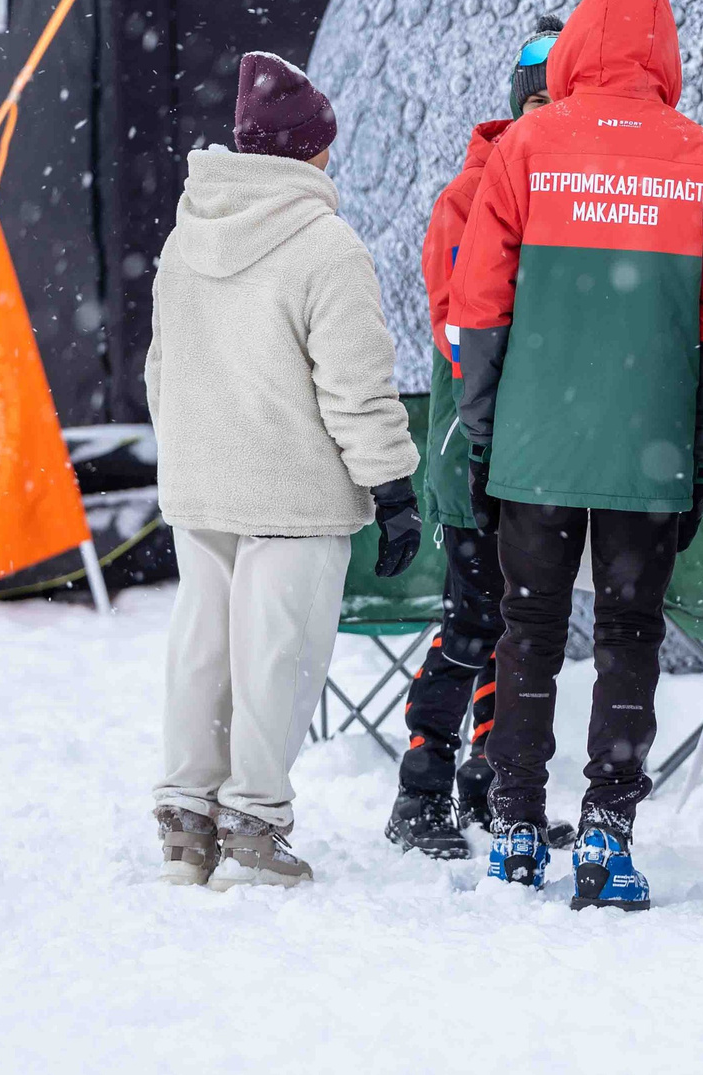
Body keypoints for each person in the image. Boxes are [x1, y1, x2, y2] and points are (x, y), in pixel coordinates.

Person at [449, 0, 703, 909]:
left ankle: (512, 824)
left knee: (528, 629)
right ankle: (609, 833)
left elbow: (479, 307)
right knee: (630, 633)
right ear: (666, 50)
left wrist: (490, 432)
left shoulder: (528, 145)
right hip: (647, 450)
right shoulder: (702, 159)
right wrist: (699, 450)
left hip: (537, 448)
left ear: (578, 43)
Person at [146, 52, 421, 888]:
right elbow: (354, 385)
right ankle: (256, 824)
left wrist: (194, 450)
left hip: (203, 486)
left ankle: (187, 820)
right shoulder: (325, 245)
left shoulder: (184, 235)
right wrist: (394, 486)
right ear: (309, 153)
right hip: (293, 491)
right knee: (279, 657)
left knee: (204, 646)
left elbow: (162, 371)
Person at [385, 14, 569, 859]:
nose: (546, 113)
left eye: (559, 99)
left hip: (537, 455)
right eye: (535, 98)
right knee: (472, 624)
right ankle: (420, 788)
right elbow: (466, 330)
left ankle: (493, 785)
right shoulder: (468, 198)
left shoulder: (571, 193)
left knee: (520, 626)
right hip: (473, 451)